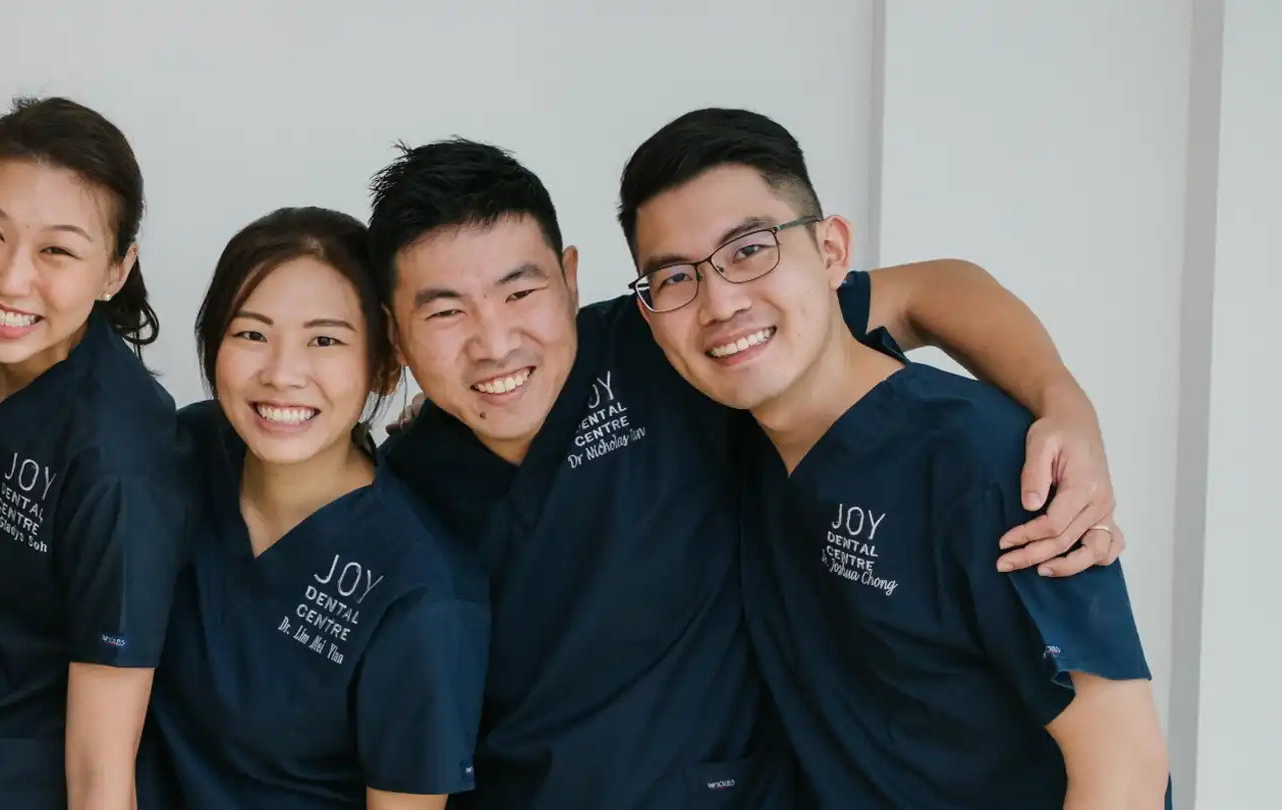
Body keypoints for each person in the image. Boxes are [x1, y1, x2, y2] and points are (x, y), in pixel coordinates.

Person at [370, 139, 1128, 809]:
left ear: (569, 279)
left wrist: (1061, 401)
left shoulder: (672, 343)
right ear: (395, 331)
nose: (495, 343)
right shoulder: (401, 486)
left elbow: (936, 289)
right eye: (444, 314)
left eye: (519, 291)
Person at [619, 107, 1169, 808]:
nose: (720, 302)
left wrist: (1062, 398)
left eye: (749, 249)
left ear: (829, 253)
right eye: (674, 278)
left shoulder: (989, 465)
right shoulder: (730, 410)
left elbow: (1122, 766)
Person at [137, 206, 488, 810]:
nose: (282, 374)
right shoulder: (185, 452)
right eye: (251, 334)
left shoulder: (422, 593)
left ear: (383, 362)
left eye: (324, 340)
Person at [0, 96, 194, 810]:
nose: (11, 279)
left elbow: (102, 768)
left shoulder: (118, 461)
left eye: (57, 250)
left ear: (115, 269)